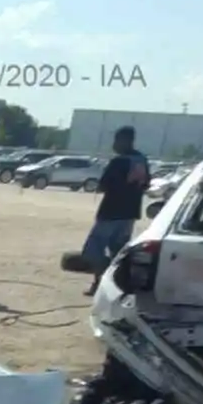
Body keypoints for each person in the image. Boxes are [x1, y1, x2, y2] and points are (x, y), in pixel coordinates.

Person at [80, 126, 151, 295]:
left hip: (111, 212)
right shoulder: (142, 160)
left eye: (117, 140)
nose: (114, 144)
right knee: (119, 252)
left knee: (93, 250)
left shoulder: (119, 161)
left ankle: (100, 282)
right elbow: (146, 184)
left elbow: (104, 185)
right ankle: (117, 286)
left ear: (125, 141)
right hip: (129, 213)